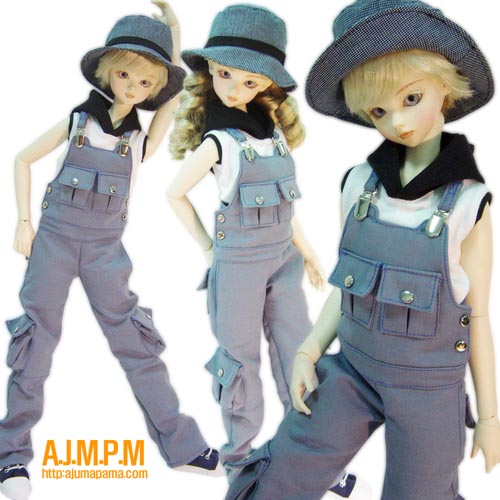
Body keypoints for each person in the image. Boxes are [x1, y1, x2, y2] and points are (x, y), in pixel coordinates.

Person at [225, 1, 500, 499]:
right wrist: (309, 349)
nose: (399, 122)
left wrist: (490, 417)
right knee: (279, 473)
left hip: (428, 389)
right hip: (351, 369)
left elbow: (477, 315)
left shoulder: (469, 205)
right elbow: (346, 281)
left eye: (412, 97)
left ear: (446, 86)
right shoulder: (358, 185)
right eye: (378, 111)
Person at [0, 4, 222, 500]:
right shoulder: (78, 121)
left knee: (135, 342)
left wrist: (173, 26)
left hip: (105, 249)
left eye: (146, 82)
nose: (134, 87)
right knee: (36, 341)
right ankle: (10, 455)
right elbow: (21, 158)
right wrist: (23, 221)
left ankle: (183, 446)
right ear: (107, 71)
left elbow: (177, 90)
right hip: (53, 242)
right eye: (125, 75)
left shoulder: (141, 139)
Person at [168, 4, 368, 498]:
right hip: (237, 265)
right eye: (225, 75)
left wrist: (310, 252)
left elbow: (286, 206)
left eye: (249, 82)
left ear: (267, 85)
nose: (235, 90)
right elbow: (174, 194)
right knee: (239, 365)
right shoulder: (218, 142)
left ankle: (313, 459)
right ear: (210, 70)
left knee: (299, 352)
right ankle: (240, 462)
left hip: (285, 261)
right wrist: (209, 248)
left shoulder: (273, 135)